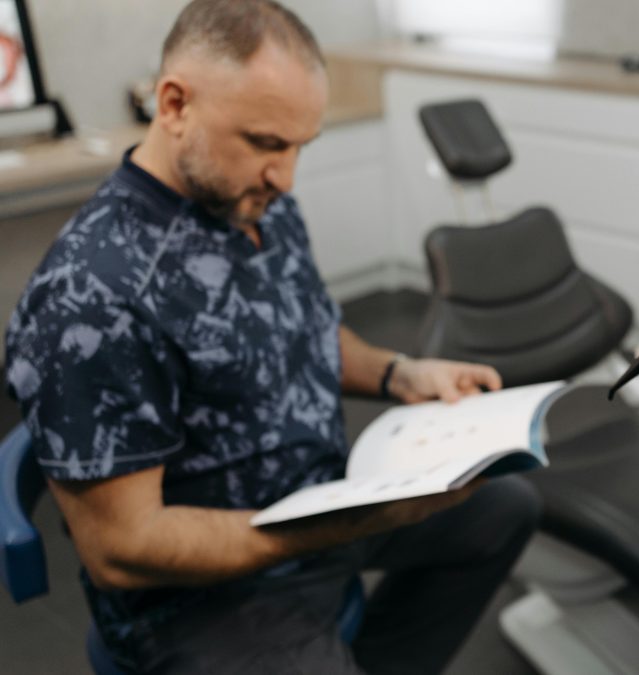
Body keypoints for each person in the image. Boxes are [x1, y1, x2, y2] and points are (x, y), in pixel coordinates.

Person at [3, 1, 542, 673]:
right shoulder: (92, 297)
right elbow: (122, 549)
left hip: (322, 500)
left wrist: (399, 372)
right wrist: (343, 524)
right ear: (173, 105)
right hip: (202, 597)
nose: (285, 178)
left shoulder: (257, 202)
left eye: (298, 148)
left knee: (507, 506)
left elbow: (300, 330)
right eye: (265, 143)